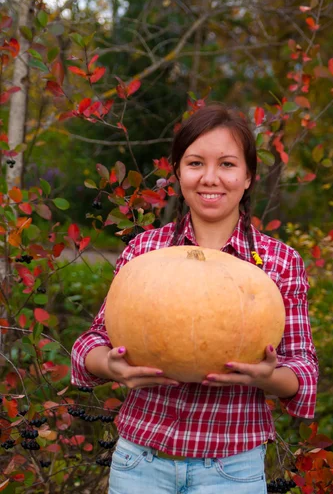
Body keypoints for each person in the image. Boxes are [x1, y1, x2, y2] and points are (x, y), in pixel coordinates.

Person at [71, 103, 318, 494]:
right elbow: (93, 340)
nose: (210, 178)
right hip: (140, 463)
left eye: (227, 164)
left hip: (231, 470)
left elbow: (303, 369)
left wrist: (268, 377)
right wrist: (109, 365)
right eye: (195, 163)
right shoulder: (145, 250)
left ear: (249, 176)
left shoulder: (278, 261)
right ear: (178, 172)